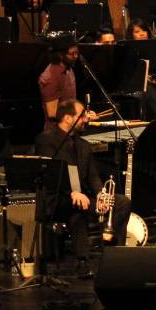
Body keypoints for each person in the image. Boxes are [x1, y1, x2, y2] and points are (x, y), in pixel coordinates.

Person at [35, 99, 131, 278]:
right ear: (67, 118)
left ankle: (113, 253)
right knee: (78, 208)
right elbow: (52, 173)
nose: (86, 119)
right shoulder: (46, 140)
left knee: (121, 202)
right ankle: (82, 261)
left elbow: (93, 176)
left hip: (83, 197)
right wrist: (72, 192)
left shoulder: (83, 145)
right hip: (58, 199)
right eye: (81, 116)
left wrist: (101, 194)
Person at [39, 34, 79, 127]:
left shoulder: (69, 70)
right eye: (72, 54)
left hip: (71, 128)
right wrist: (78, 116)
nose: (76, 56)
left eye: (77, 53)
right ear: (60, 55)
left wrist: (83, 113)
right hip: (57, 132)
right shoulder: (50, 77)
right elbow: (52, 113)